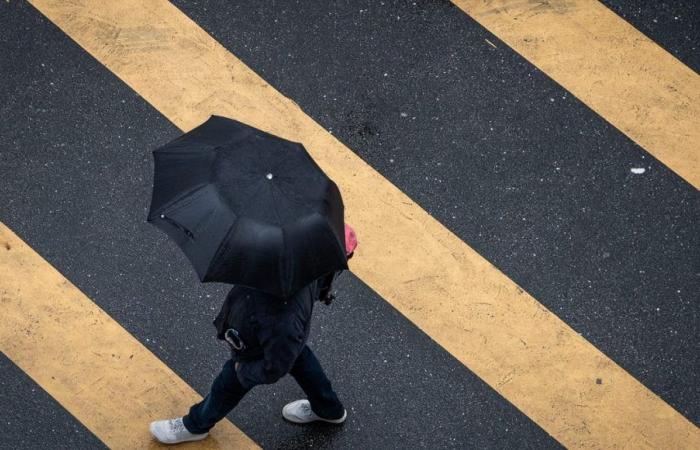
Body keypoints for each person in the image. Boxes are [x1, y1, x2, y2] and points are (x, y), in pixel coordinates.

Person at [149, 224, 358, 444]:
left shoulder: (284, 315)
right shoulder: (306, 267)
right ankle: (328, 408)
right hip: (277, 330)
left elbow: (274, 367)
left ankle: (195, 425)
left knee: (228, 384)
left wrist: (245, 371)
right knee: (299, 357)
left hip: (258, 339)